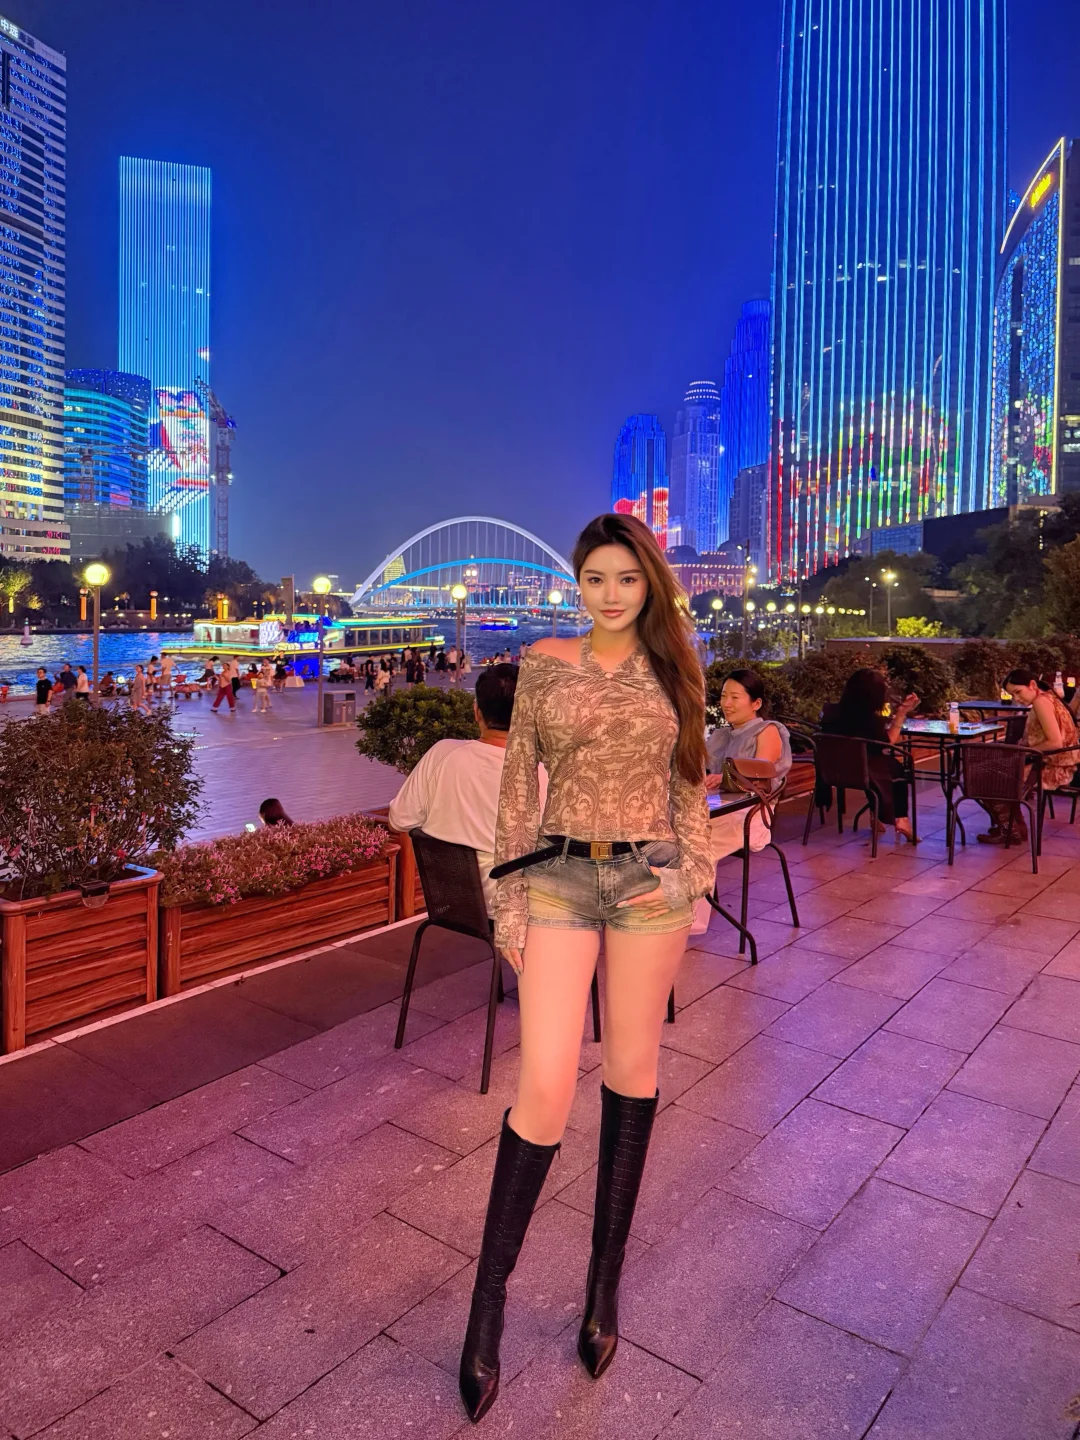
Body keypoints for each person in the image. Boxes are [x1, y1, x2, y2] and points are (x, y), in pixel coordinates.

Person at [458, 513, 712, 1423]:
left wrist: (695, 872)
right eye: (597, 578)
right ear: (578, 582)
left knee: (632, 1071)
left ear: (650, 584)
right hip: (559, 879)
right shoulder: (542, 664)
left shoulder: (676, 666)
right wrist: (507, 901)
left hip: (648, 884)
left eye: (628, 579)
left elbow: (689, 782)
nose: (612, 594)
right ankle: (487, 1305)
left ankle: (603, 1288)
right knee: (544, 1085)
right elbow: (514, 790)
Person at [389, 664, 541, 915]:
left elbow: (399, 820)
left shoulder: (441, 754)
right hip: (518, 909)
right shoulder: (541, 775)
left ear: (476, 711)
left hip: (451, 902)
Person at [977, 669, 1080, 844]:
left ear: (1032, 685)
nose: (1016, 699)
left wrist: (1024, 753)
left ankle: (1010, 829)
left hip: (1052, 767)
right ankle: (1015, 827)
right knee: (989, 772)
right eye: (1012, 695)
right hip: (1052, 762)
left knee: (984, 777)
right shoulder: (1047, 697)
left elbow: (1055, 743)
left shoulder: (1041, 702)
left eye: (1018, 692)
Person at [820, 668, 918, 842]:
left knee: (871, 763)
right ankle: (901, 819)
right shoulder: (870, 721)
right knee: (895, 768)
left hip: (833, 771)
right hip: (861, 773)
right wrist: (901, 713)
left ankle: (876, 815)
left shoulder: (830, 712)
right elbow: (887, 742)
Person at [704, 667, 792, 858]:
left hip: (750, 814)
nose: (726, 703)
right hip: (718, 807)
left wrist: (723, 778)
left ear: (756, 703)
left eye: (735, 697)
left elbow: (759, 776)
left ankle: (692, 877)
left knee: (695, 838)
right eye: (723, 696)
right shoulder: (722, 735)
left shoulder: (767, 731)